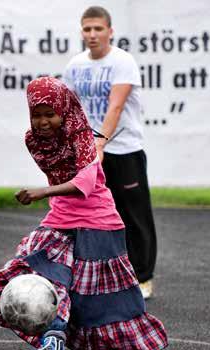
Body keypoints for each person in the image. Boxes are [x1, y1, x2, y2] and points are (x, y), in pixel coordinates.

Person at [0, 77, 168, 350]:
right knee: (44, 275)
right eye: (36, 114)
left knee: (87, 307)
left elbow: (84, 181)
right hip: (62, 219)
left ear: (63, 109)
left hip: (98, 222)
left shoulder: (83, 136)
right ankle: (51, 343)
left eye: (49, 113)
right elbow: (61, 170)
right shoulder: (34, 140)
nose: (42, 121)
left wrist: (46, 189)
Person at [62, 5, 158, 299]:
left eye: (98, 29)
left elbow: (116, 106)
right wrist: (75, 146)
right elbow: (70, 109)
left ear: (110, 31)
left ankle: (143, 278)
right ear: (82, 32)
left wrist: (100, 143)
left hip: (123, 150)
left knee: (133, 215)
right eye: (87, 29)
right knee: (89, 216)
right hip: (88, 153)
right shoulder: (75, 66)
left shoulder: (122, 61)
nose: (92, 35)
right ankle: (97, 276)